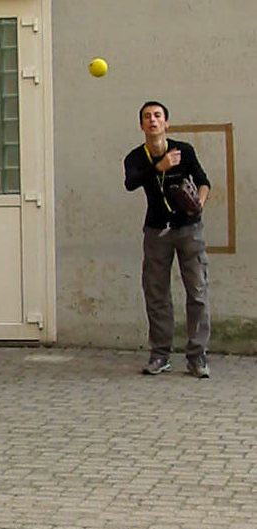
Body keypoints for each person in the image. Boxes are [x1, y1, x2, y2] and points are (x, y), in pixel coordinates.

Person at [124, 101, 211, 378]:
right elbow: (131, 182)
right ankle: (160, 354)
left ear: (166, 123)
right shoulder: (136, 157)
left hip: (189, 230)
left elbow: (204, 180)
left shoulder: (183, 150)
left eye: (158, 116)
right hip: (156, 231)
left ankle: (197, 357)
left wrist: (199, 202)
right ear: (141, 126)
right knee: (156, 293)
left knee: (197, 292)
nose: (153, 120)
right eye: (147, 117)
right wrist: (159, 167)